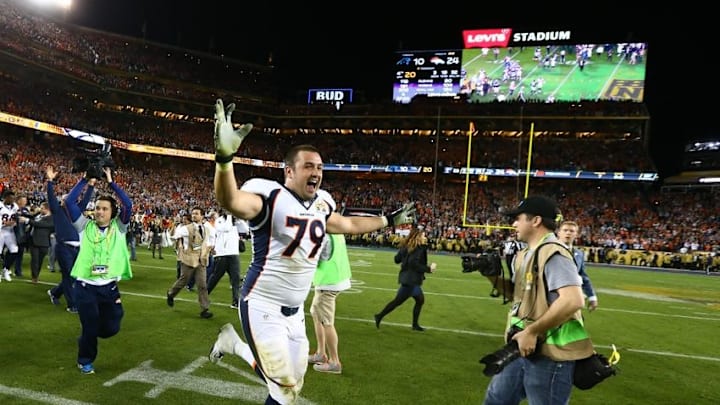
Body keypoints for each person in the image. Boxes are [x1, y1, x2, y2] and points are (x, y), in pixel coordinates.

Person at [207, 99, 416, 405]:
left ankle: (233, 345)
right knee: (282, 388)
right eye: (309, 166)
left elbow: (347, 223)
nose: (316, 172)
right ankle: (236, 345)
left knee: (289, 389)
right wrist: (224, 160)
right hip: (262, 303)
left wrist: (387, 220)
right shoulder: (270, 198)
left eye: (319, 167)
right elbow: (231, 200)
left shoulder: (320, 206)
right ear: (289, 171)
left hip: (296, 313)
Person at [482, 195, 593, 405]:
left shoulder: (554, 253)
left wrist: (532, 331)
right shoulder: (525, 254)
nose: (514, 224)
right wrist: (491, 276)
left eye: (518, 218)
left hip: (551, 354)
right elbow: (518, 296)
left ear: (536, 221)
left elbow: (573, 300)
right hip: (523, 345)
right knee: (496, 400)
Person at [68, 167, 133, 374]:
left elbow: (128, 205)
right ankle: (85, 360)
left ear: (112, 212)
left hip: (109, 287)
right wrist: (85, 179)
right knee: (89, 326)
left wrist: (111, 183)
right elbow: (69, 202)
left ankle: (91, 334)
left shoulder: (119, 227)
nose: (99, 211)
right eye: (97, 208)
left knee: (111, 328)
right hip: (85, 287)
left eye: (104, 208)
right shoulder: (84, 226)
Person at [46, 166, 96, 313]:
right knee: (68, 275)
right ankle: (72, 304)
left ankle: (55, 292)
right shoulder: (57, 211)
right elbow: (50, 197)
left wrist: (91, 185)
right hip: (63, 247)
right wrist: (50, 181)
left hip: (77, 248)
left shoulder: (76, 212)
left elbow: (86, 200)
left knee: (75, 276)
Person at [374, 227, 436, 331]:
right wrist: (429, 269)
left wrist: (404, 254)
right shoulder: (418, 248)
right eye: (423, 235)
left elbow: (396, 259)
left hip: (409, 279)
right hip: (411, 281)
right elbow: (414, 263)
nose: (425, 237)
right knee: (397, 302)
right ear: (418, 237)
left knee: (420, 300)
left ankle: (415, 325)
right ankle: (379, 316)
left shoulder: (407, 246)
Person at [307, 233, 352, 374]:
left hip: (328, 282)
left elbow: (317, 258)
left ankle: (334, 362)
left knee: (327, 321)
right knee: (315, 313)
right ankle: (321, 353)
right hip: (334, 279)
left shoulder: (323, 234)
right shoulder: (337, 233)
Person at [166, 207, 213, 319]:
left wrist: (209, 249)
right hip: (189, 259)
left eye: (196, 213)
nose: (193, 215)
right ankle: (171, 294)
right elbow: (175, 237)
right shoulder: (186, 228)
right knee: (183, 281)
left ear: (202, 216)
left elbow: (207, 241)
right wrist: (180, 245)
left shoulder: (206, 229)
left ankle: (204, 309)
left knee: (202, 285)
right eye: (192, 214)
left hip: (201, 260)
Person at [557, 220, 598, 311]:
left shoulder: (579, 254)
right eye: (565, 230)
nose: (568, 233)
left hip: (572, 303)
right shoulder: (549, 250)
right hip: (551, 301)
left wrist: (592, 296)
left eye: (572, 231)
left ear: (576, 235)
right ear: (558, 233)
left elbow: (583, 276)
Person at [206, 211, 243, 309]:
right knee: (216, 277)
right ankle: (204, 295)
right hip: (222, 254)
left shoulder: (234, 221)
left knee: (236, 279)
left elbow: (246, 229)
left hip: (234, 253)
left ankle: (235, 301)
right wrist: (230, 216)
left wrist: (239, 219)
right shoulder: (219, 220)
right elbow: (226, 229)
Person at [20, 202, 54, 284]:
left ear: (47, 209)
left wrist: (27, 220)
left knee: (40, 261)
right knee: (34, 260)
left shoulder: (51, 218)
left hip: (43, 242)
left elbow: (39, 224)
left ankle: (36, 275)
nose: (40, 209)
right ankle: (34, 277)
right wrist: (21, 214)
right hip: (33, 240)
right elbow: (32, 216)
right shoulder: (39, 214)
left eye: (42, 208)